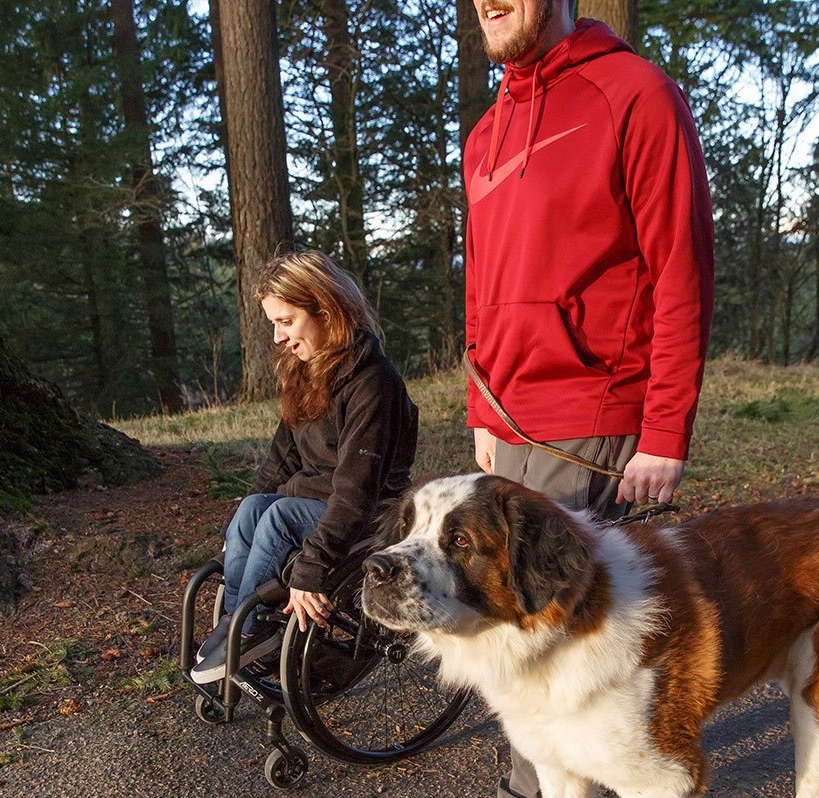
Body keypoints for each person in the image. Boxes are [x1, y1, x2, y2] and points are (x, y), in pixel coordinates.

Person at [461, 3, 714, 796]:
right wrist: (480, 407)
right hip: (505, 428)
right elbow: (483, 284)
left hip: (592, 423)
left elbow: (682, 271)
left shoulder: (634, 94)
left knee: (566, 668)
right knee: (515, 656)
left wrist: (665, 428)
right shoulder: (485, 131)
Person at [190, 250, 418, 685]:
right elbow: (282, 460)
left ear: (326, 311)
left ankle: (249, 629)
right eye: (274, 323)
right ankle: (235, 629)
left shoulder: (373, 383)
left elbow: (357, 491)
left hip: (370, 511)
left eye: (286, 321)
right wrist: (240, 526)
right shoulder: (307, 373)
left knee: (277, 515)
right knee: (255, 506)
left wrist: (310, 570)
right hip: (317, 501)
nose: (278, 337)